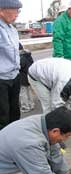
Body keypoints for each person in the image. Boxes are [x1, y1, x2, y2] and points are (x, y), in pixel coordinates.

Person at [0, 106, 71, 174]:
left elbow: (55, 154)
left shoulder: (45, 122)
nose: (65, 139)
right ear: (55, 131)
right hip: (3, 172)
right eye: (67, 136)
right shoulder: (30, 143)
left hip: (11, 162)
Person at [0, 0, 22, 130]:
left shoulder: (12, 29)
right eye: (15, 10)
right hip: (1, 79)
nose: (17, 14)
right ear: (2, 10)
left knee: (15, 111)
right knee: (3, 114)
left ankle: (13, 138)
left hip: (14, 76)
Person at [19, 43, 35, 113]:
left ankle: (25, 107)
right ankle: (31, 105)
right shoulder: (28, 55)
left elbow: (20, 66)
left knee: (23, 93)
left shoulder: (21, 57)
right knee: (29, 91)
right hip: (29, 76)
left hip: (23, 78)